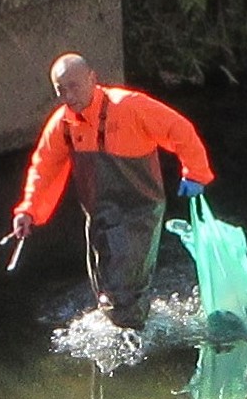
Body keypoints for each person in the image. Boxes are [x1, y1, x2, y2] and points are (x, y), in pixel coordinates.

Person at [11, 52, 216, 329]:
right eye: (61, 90)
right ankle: (133, 328)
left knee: (121, 290)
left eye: (74, 85)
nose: (69, 95)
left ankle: (132, 339)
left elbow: (179, 130)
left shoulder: (129, 107)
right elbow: (44, 168)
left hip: (140, 210)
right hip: (100, 213)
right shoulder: (63, 124)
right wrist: (28, 210)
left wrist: (196, 172)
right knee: (104, 284)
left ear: (92, 79)